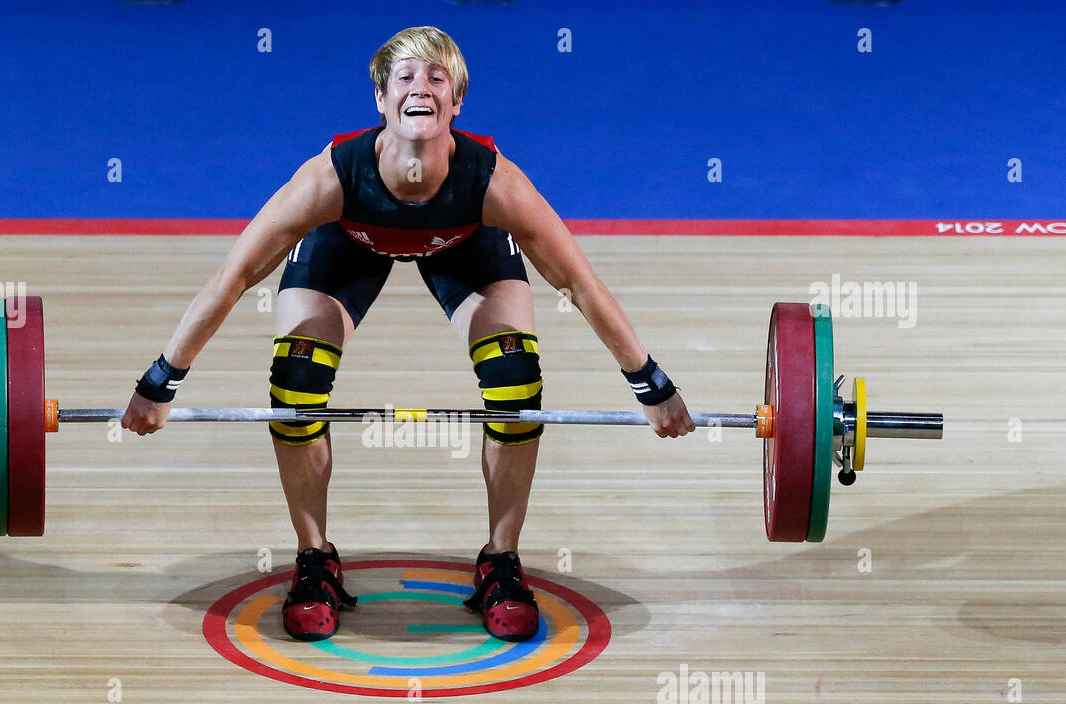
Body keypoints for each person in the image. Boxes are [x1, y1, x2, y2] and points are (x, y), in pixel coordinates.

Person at [122, 26, 694, 643]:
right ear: (380, 99)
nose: (420, 87)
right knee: (296, 380)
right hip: (347, 239)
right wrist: (160, 380)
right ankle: (315, 560)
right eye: (405, 77)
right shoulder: (331, 178)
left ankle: (500, 562)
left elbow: (579, 284)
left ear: (456, 104)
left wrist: (651, 384)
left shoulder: (493, 181)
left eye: (436, 78)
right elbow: (234, 276)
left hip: (465, 242)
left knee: (515, 379)